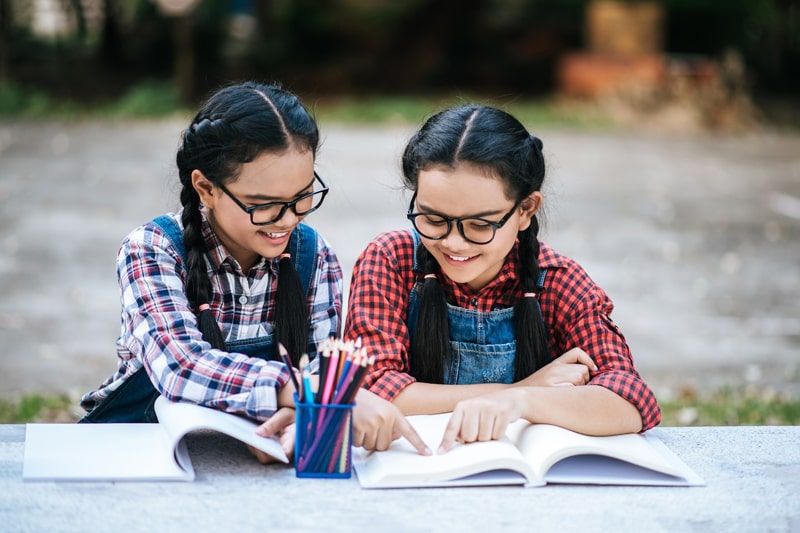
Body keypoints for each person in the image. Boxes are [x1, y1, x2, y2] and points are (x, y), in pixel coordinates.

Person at [80, 81, 428, 460]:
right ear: (206, 188)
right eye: (263, 205)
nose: (288, 219)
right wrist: (312, 396)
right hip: (140, 454)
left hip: (259, 459)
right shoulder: (153, 250)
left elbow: (318, 366)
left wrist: (298, 426)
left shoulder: (314, 257)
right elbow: (182, 366)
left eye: (302, 198)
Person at [344, 104, 661, 453]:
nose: (453, 242)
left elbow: (631, 402)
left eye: (479, 225)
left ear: (525, 210)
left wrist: (523, 402)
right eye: (433, 219)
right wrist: (525, 387)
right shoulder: (392, 261)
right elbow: (370, 388)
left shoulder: (559, 282)